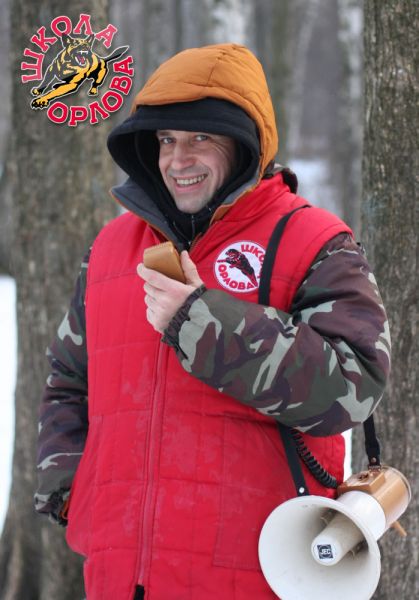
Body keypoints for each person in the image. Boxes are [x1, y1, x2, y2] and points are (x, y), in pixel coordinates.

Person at [35, 43, 391, 600]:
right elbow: (68, 380)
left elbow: (355, 384)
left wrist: (201, 322)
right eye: (166, 140)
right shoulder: (109, 248)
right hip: (119, 576)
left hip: (263, 576)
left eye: (201, 137)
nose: (178, 160)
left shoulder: (314, 241)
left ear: (245, 144)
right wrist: (71, 493)